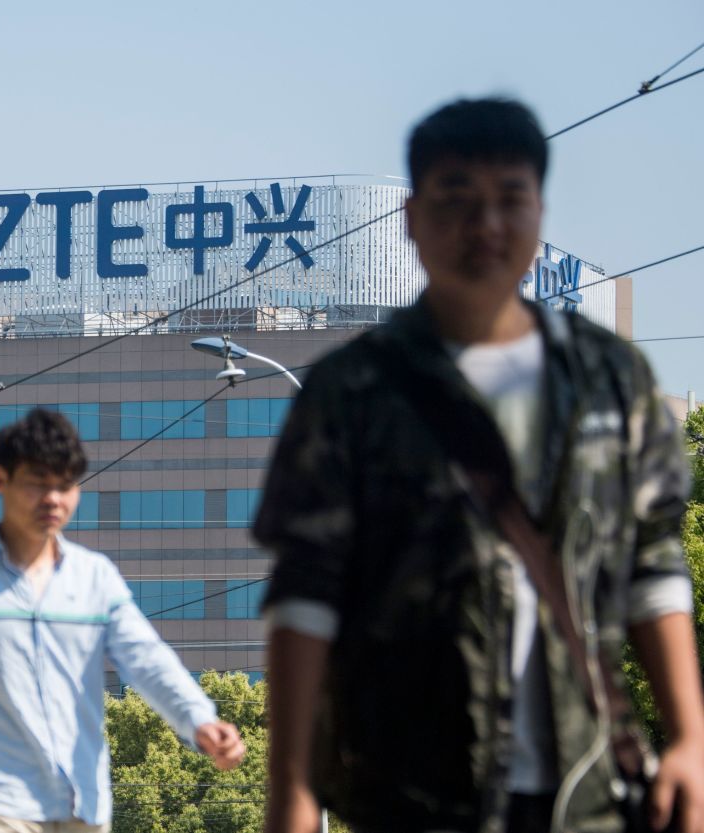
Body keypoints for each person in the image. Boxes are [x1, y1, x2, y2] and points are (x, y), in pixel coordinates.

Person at [257, 97, 704, 833]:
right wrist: (293, 787)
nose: (485, 224)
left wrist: (687, 738)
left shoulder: (608, 377)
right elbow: (305, 597)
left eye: (510, 198)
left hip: (586, 783)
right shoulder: (353, 391)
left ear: (539, 212)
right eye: (457, 197)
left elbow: (653, 565)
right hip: (409, 784)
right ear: (410, 217)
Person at [0, 407, 246, 833]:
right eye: (38, 483)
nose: (53, 499)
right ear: (1, 480)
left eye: (66, 485)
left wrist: (200, 719)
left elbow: (148, 660)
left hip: (85, 806)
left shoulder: (96, 576)